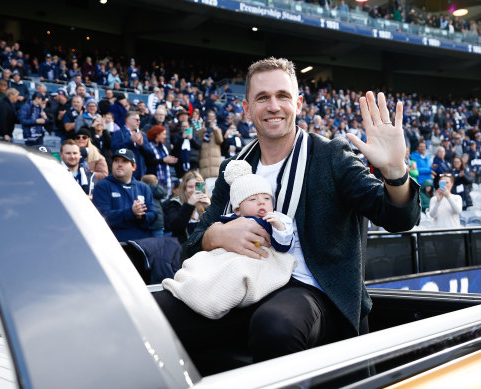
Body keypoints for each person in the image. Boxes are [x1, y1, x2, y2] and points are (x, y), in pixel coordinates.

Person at [153, 57, 419, 370]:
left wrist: (395, 171)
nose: (274, 106)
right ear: (247, 108)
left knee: (275, 325)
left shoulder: (330, 155)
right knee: (150, 315)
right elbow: (193, 244)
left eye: (283, 96)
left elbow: (398, 217)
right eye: (262, 98)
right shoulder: (235, 166)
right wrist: (217, 234)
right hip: (242, 285)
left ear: (299, 103)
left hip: (313, 294)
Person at [163, 160, 296, 319]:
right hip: (226, 254)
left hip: (255, 258)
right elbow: (189, 231)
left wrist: (279, 227)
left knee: (236, 270)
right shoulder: (229, 218)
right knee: (202, 260)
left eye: (267, 199)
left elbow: (285, 244)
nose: (261, 202)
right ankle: (189, 283)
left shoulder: (276, 219)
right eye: (253, 199)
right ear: (238, 209)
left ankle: (212, 299)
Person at [92, 148, 157, 242]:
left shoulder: (143, 188)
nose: (119, 164)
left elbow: (153, 214)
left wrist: (141, 216)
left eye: (125, 161)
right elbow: (102, 217)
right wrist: (131, 212)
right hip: (115, 243)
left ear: (134, 166)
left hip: (142, 244)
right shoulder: (103, 186)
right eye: (116, 161)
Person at [162, 171, 210, 244]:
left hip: (206, 247)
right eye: (190, 187)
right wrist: (189, 204)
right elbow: (176, 228)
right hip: (184, 249)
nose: (194, 190)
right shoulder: (175, 203)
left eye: (197, 186)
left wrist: (209, 207)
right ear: (184, 188)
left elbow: (217, 227)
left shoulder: (208, 202)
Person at [111, 111, 155, 180]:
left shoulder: (142, 135)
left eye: (139, 120)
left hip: (141, 174)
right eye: (136, 120)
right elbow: (115, 150)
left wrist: (141, 145)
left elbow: (151, 154)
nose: (139, 122)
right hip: (124, 174)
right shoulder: (119, 133)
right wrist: (130, 141)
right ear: (128, 120)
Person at [146, 124, 178, 189]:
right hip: (155, 179)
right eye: (163, 134)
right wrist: (163, 160)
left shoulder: (163, 147)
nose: (165, 136)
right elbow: (148, 162)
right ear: (157, 134)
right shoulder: (149, 146)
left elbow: (165, 159)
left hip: (166, 178)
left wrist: (171, 160)